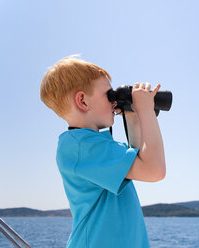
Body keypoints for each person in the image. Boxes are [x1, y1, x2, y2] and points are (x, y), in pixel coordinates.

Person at [40, 55, 166, 247]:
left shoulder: (90, 145)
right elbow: (154, 169)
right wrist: (146, 110)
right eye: (109, 95)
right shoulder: (80, 147)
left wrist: (132, 115)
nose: (114, 102)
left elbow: (140, 157)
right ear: (82, 101)